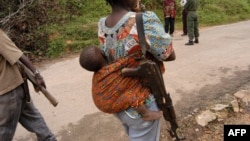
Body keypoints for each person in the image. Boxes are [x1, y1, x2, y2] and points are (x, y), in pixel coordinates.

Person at [95, 0, 176, 140]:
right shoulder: (144, 20)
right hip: (142, 103)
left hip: (119, 99)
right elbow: (168, 54)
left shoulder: (102, 24)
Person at [0, 29, 57, 141]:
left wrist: (36, 74)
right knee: (35, 122)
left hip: (9, 91)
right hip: (13, 90)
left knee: (3, 132)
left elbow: (18, 55)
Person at [79, 46, 163, 121]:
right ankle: (146, 114)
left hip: (101, 103)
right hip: (111, 103)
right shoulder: (114, 67)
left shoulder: (98, 76)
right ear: (102, 53)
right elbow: (126, 63)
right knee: (131, 95)